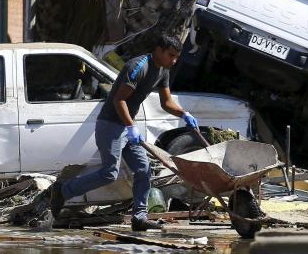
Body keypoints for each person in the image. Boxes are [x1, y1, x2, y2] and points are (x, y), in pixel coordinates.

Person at [49, 33, 197, 231]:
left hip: (128, 127)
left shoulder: (162, 70)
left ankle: (139, 217)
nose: (174, 60)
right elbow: (119, 100)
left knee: (144, 169)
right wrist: (130, 127)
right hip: (110, 124)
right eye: (171, 55)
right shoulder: (138, 67)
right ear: (159, 50)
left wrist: (184, 114)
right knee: (109, 173)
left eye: (177, 56)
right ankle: (63, 190)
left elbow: (166, 102)